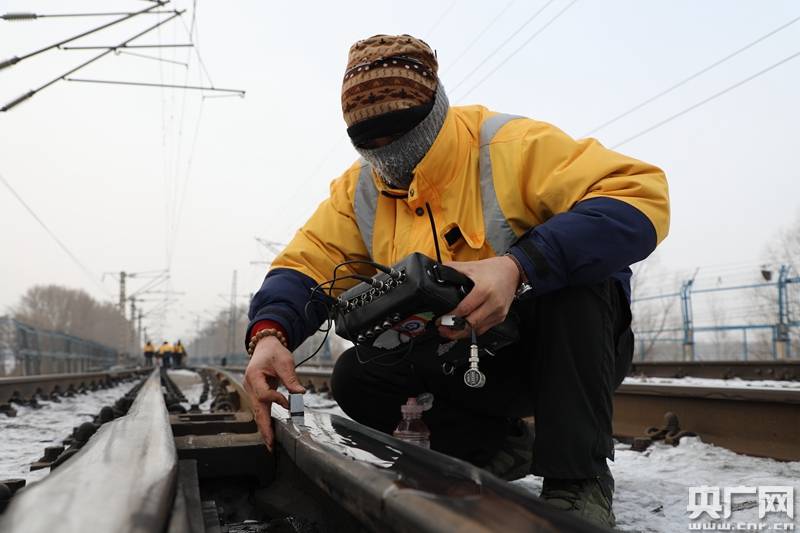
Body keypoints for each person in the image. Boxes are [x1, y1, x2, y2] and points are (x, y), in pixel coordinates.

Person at [243, 34, 669, 527]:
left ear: (434, 112)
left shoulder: (513, 146)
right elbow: (309, 262)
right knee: (358, 376)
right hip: (460, 359)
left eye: (400, 132)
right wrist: (271, 333)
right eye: (369, 140)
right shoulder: (360, 189)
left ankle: (578, 480)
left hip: (559, 354)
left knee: (581, 284)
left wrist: (517, 267)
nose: (387, 152)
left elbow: (639, 198)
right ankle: (498, 449)